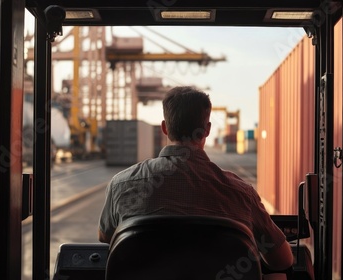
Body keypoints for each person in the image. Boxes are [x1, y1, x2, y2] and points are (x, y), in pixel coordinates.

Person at [98, 86, 293, 271]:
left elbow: (107, 238)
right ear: (207, 130)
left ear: (165, 128)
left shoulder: (121, 184)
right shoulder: (242, 193)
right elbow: (283, 261)